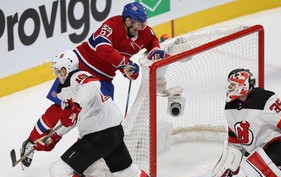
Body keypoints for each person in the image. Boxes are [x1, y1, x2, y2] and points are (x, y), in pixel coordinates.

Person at [20, 2, 169, 167]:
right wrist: (123, 64)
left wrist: (154, 51)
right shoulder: (112, 25)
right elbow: (102, 47)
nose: (142, 27)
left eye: (144, 23)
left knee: (99, 123)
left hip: (103, 80)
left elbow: (153, 42)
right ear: (128, 21)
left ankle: (81, 161)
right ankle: (31, 143)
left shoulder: (144, 31)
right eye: (138, 23)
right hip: (80, 67)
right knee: (59, 109)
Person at [33, 50, 173, 177]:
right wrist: (55, 136)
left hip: (99, 133)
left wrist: (77, 105)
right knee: (127, 171)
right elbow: (72, 119)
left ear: (67, 68)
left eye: (59, 70)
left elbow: (93, 84)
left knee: (59, 170)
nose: (57, 74)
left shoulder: (79, 76)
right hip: (112, 132)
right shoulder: (64, 92)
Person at [211, 69, 281, 177]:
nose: (231, 88)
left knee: (252, 163)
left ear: (246, 85)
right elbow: (235, 141)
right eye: (230, 84)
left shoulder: (265, 99)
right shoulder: (229, 106)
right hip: (258, 159)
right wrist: (231, 161)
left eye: (235, 84)